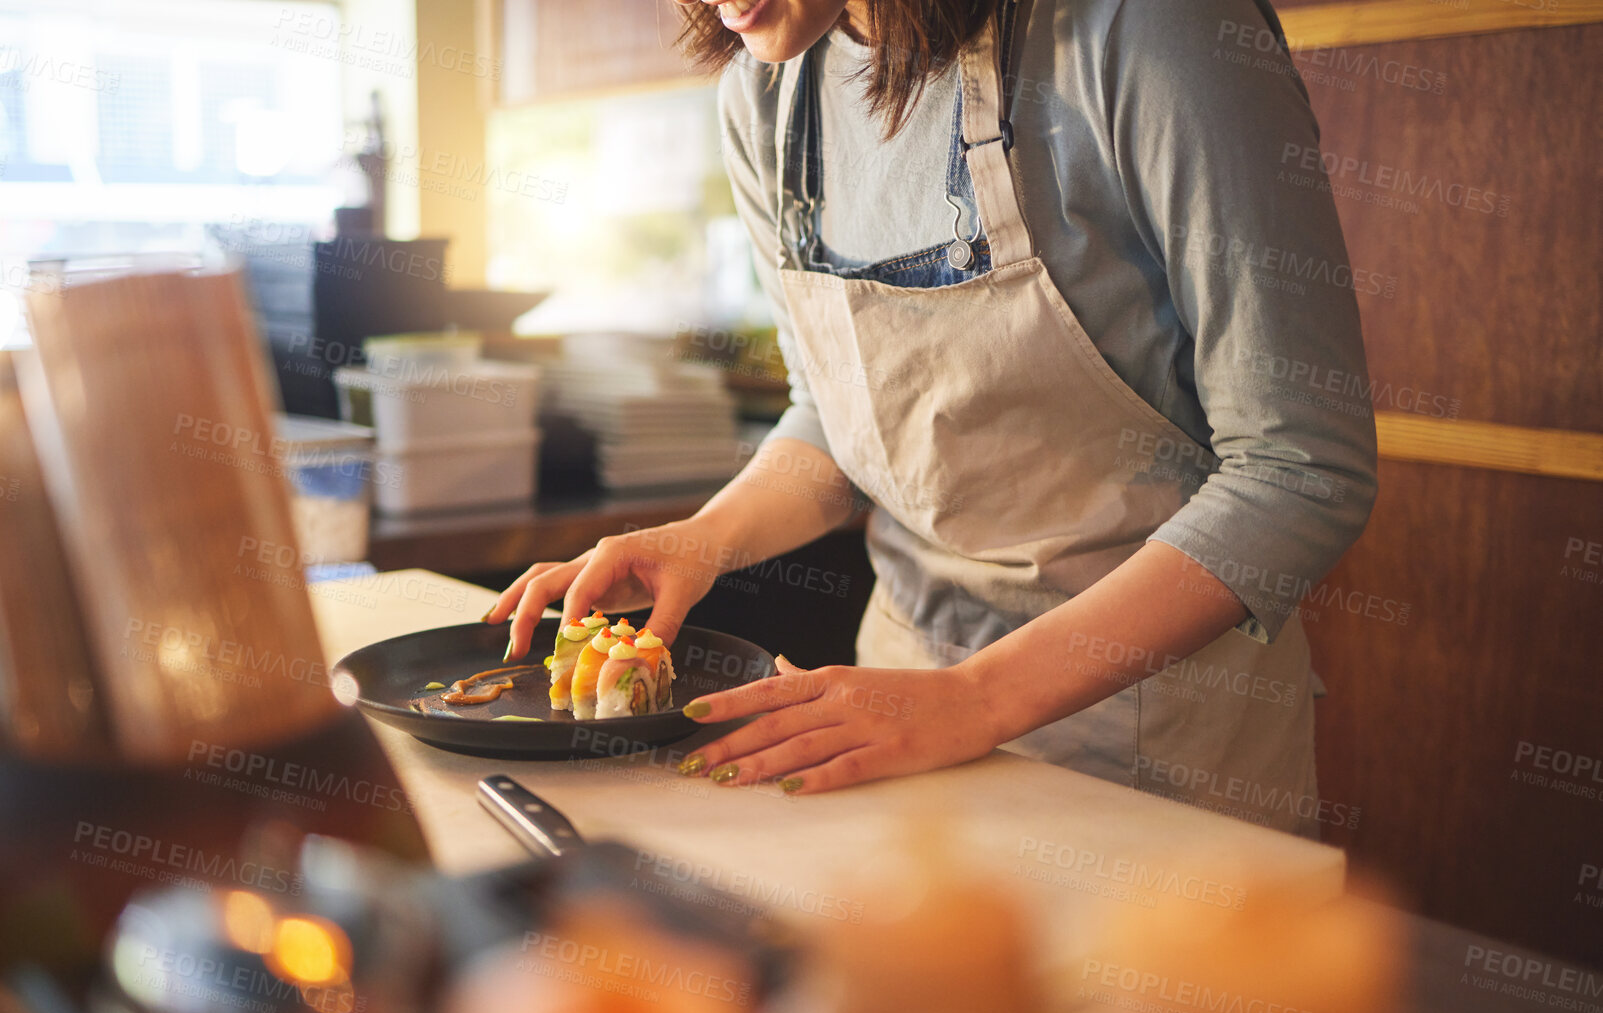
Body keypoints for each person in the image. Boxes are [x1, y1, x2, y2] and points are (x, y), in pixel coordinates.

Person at [485, 0, 1377, 835]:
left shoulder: (1151, 30)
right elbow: (838, 418)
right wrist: (706, 538)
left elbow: (1297, 469)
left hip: (1148, 746)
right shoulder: (764, 90)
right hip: (887, 710)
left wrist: (978, 699)